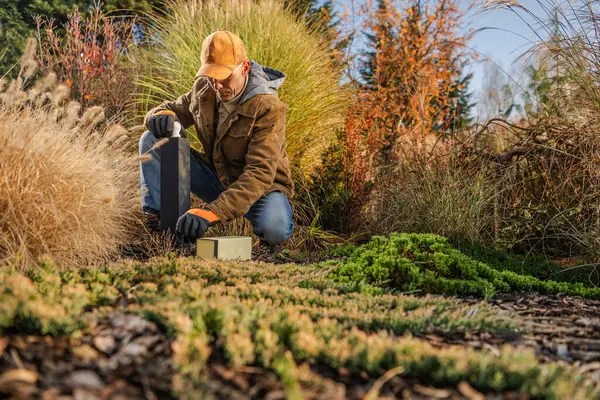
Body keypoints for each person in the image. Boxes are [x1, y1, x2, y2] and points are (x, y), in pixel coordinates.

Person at [139, 30, 294, 252]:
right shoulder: (204, 88)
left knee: (275, 227)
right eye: (212, 76)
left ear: (245, 68)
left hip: (260, 189)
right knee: (153, 139)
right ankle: (161, 228)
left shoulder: (269, 107)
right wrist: (160, 115)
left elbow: (259, 174)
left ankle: (268, 247)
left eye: (224, 77)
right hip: (216, 177)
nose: (217, 86)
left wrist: (212, 213)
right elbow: (171, 109)